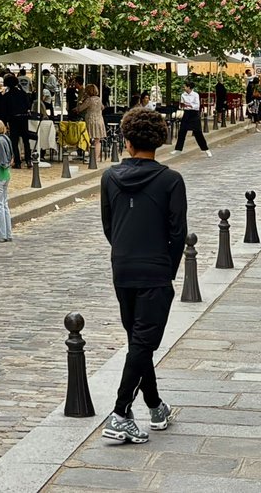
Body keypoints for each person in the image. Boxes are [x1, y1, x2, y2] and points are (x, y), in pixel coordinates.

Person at [100, 107, 186, 445]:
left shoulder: (109, 177)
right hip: (155, 271)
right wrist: (168, 269)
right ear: (159, 141)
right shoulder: (170, 180)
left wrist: (123, 249)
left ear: (127, 140)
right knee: (142, 343)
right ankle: (121, 413)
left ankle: (154, 406)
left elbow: (109, 225)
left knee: (139, 342)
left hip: (121, 268)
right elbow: (178, 232)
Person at [174, 80, 210, 157]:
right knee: (182, 131)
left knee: (198, 133)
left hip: (194, 114)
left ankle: (206, 149)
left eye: (185, 86)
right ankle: (178, 149)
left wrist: (190, 105)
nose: (184, 87)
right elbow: (181, 105)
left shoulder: (195, 95)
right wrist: (183, 106)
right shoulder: (183, 95)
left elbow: (197, 106)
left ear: (189, 87)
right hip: (186, 114)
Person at [75, 83, 107, 159]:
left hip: (91, 120)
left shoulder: (89, 100)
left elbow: (80, 109)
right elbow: (102, 107)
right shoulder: (98, 99)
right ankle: (95, 158)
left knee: (89, 139)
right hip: (99, 120)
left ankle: (92, 157)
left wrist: (80, 102)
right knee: (97, 140)